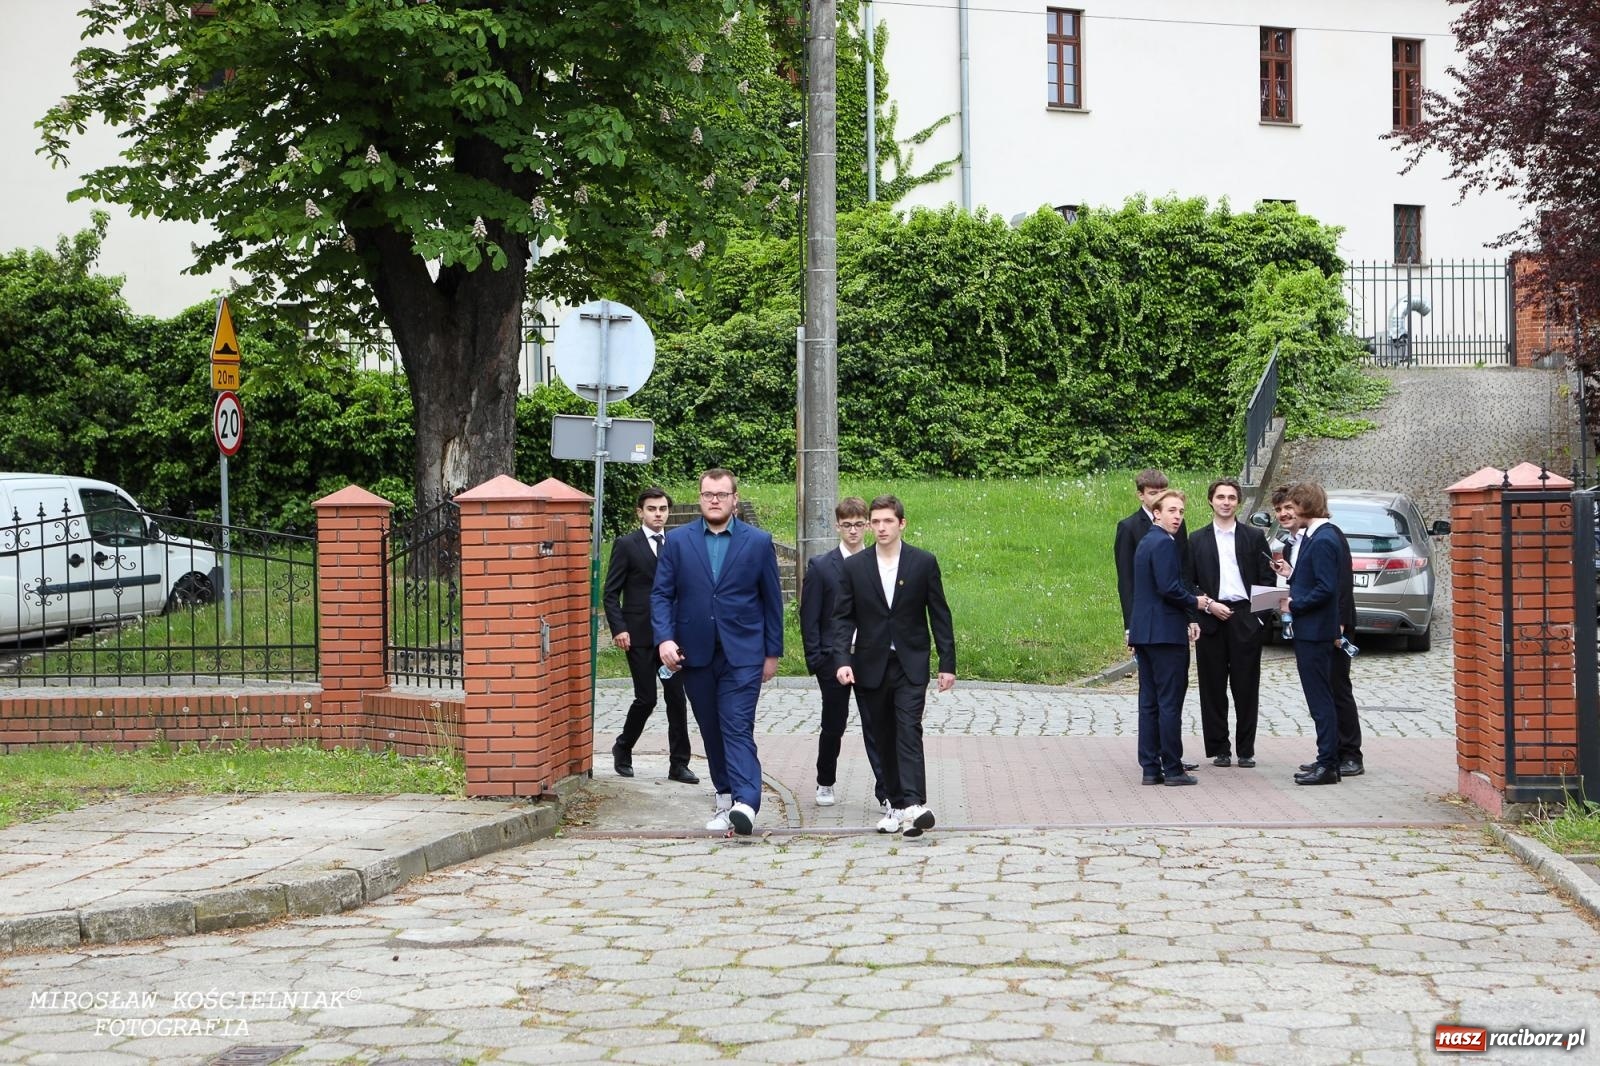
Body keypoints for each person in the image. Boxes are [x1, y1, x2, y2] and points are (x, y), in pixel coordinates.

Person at [653, 468, 784, 835]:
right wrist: (664, 638)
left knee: (736, 726)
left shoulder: (758, 542)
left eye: (721, 494)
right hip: (694, 654)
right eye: (708, 494)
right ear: (700, 498)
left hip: (743, 653)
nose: (714, 500)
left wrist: (772, 653)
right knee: (710, 728)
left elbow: (772, 601)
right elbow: (662, 593)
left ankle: (747, 801)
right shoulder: (677, 542)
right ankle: (726, 798)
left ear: (734, 499)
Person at [832, 495, 956, 837]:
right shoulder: (855, 567)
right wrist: (842, 660)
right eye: (876, 521)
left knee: (907, 728)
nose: (881, 527)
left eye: (888, 521)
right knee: (881, 735)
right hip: (870, 663)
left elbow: (940, 615)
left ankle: (915, 803)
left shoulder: (922, 562)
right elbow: (842, 617)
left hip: (910, 662)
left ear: (902, 523)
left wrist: (948, 664)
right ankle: (895, 804)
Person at [799, 497, 888, 812]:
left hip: (868, 656)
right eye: (847, 525)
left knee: (875, 724)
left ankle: (885, 790)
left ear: (866, 525)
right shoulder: (822, 567)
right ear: (837, 525)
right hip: (833, 658)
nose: (853, 531)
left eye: (858, 524)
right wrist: (818, 660)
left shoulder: (879, 562)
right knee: (833, 724)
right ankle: (825, 780)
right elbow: (809, 617)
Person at [603, 488, 698, 785]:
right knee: (646, 699)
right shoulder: (626, 545)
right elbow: (610, 593)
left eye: (662, 508)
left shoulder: (679, 544)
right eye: (652, 509)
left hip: (671, 637)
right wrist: (619, 628)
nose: (658, 514)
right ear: (640, 512)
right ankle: (623, 747)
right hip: (639, 635)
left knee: (677, 699)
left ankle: (679, 764)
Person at [1272, 486, 1363, 778]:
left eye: (1293, 505)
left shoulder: (1324, 538)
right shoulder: (1307, 539)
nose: (1288, 512)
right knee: (1321, 697)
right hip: (1312, 628)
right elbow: (1313, 578)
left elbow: (1329, 586)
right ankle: (1328, 756)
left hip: (1320, 629)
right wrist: (1292, 576)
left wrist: (1296, 604)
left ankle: (1332, 761)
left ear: (1305, 505)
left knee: (1326, 696)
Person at [1187, 478, 1276, 768]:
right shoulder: (1197, 540)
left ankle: (1246, 749)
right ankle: (1219, 748)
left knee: (1246, 686)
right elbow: (1187, 582)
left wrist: (1259, 619)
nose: (1226, 502)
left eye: (1232, 498)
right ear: (1210, 500)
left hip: (1245, 618)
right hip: (1210, 617)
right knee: (1212, 687)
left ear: (1239, 502)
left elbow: (1268, 579)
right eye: (1221, 497)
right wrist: (1208, 605)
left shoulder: (1253, 537)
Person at [1129, 490, 1207, 786]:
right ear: (1156, 513)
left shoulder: (1148, 541)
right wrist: (1197, 602)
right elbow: (1168, 588)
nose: (1178, 517)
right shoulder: (1162, 543)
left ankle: (1151, 767)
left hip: (1147, 633)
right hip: (1165, 634)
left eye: (1181, 512)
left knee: (1149, 702)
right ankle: (1172, 768)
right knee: (1168, 702)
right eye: (1172, 510)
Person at [1115, 468, 1189, 645]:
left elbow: (1183, 568)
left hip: (1174, 611)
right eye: (1153, 493)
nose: (1159, 497)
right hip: (1146, 615)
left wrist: (1189, 614)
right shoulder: (1128, 527)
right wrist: (1130, 625)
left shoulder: (1177, 521)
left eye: (1163, 492)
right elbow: (1126, 579)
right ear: (1141, 495)